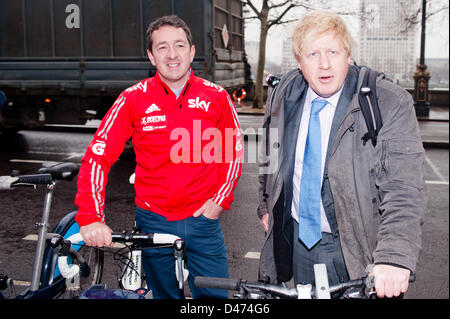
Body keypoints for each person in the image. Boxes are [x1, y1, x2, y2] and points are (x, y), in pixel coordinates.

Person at [257, 10, 425, 299]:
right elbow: (269, 152)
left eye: (333, 51)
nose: (324, 64)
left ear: (348, 55)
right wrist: (264, 205)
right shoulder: (284, 94)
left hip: (356, 247)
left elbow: (404, 189)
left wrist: (394, 256)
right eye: (312, 54)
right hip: (299, 241)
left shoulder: (389, 102)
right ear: (299, 62)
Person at [74, 15, 243, 299]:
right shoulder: (132, 98)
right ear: (151, 57)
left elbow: (234, 152)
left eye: (179, 45)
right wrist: (91, 217)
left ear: (192, 51)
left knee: (214, 297)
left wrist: (218, 202)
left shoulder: (216, 97)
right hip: (153, 221)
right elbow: (97, 158)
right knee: (163, 296)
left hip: (204, 220)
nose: (172, 54)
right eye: (162, 47)